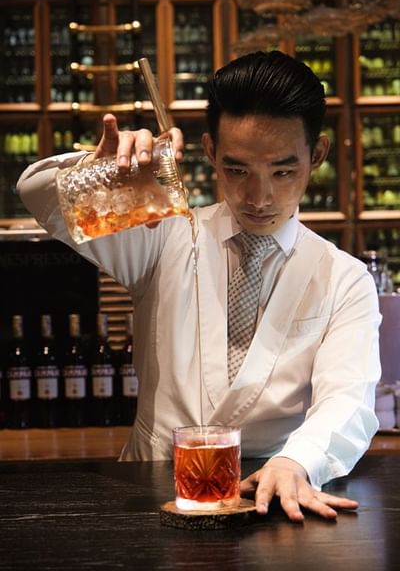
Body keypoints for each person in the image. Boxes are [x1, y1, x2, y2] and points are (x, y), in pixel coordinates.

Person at [17, 50, 381, 523]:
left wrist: (299, 460)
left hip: (269, 490)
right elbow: (36, 193)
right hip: (149, 495)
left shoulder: (344, 276)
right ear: (210, 152)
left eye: (283, 171)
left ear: (318, 155)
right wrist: (103, 171)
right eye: (237, 169)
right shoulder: (163, 234)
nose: (259, 197)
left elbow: (348, 399)